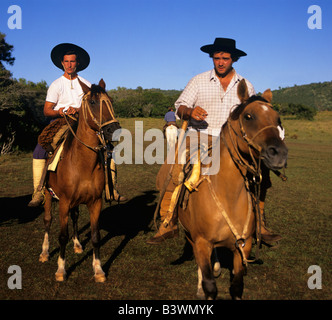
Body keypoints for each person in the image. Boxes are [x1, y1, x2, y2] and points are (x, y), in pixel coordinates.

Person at [147, 38, 281, 245]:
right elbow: (180, 105)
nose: (220, 62)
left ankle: (259, 221)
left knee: (261, 169)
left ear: (233, 59)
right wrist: (190, 111)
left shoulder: (246, 85)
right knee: (174, 167)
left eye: (225, 58)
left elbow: (253, 114)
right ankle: (168, 220)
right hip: (200, 135)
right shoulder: (198, 80)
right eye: (216, 58)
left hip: (234, 140)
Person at [28, 43, 125, 207]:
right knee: (39, 149)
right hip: (61, 121)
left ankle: (111, 189)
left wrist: (78, 109)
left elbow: (92, 106)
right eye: (66, 61)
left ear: (77, 63)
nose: (69, 64)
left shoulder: (86, 84)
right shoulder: (56, 85)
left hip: (83, 122)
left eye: (72, 61)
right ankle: (38, 192)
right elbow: (47, 110)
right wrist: (62, 111)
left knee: (108, 149)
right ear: (62, 63)